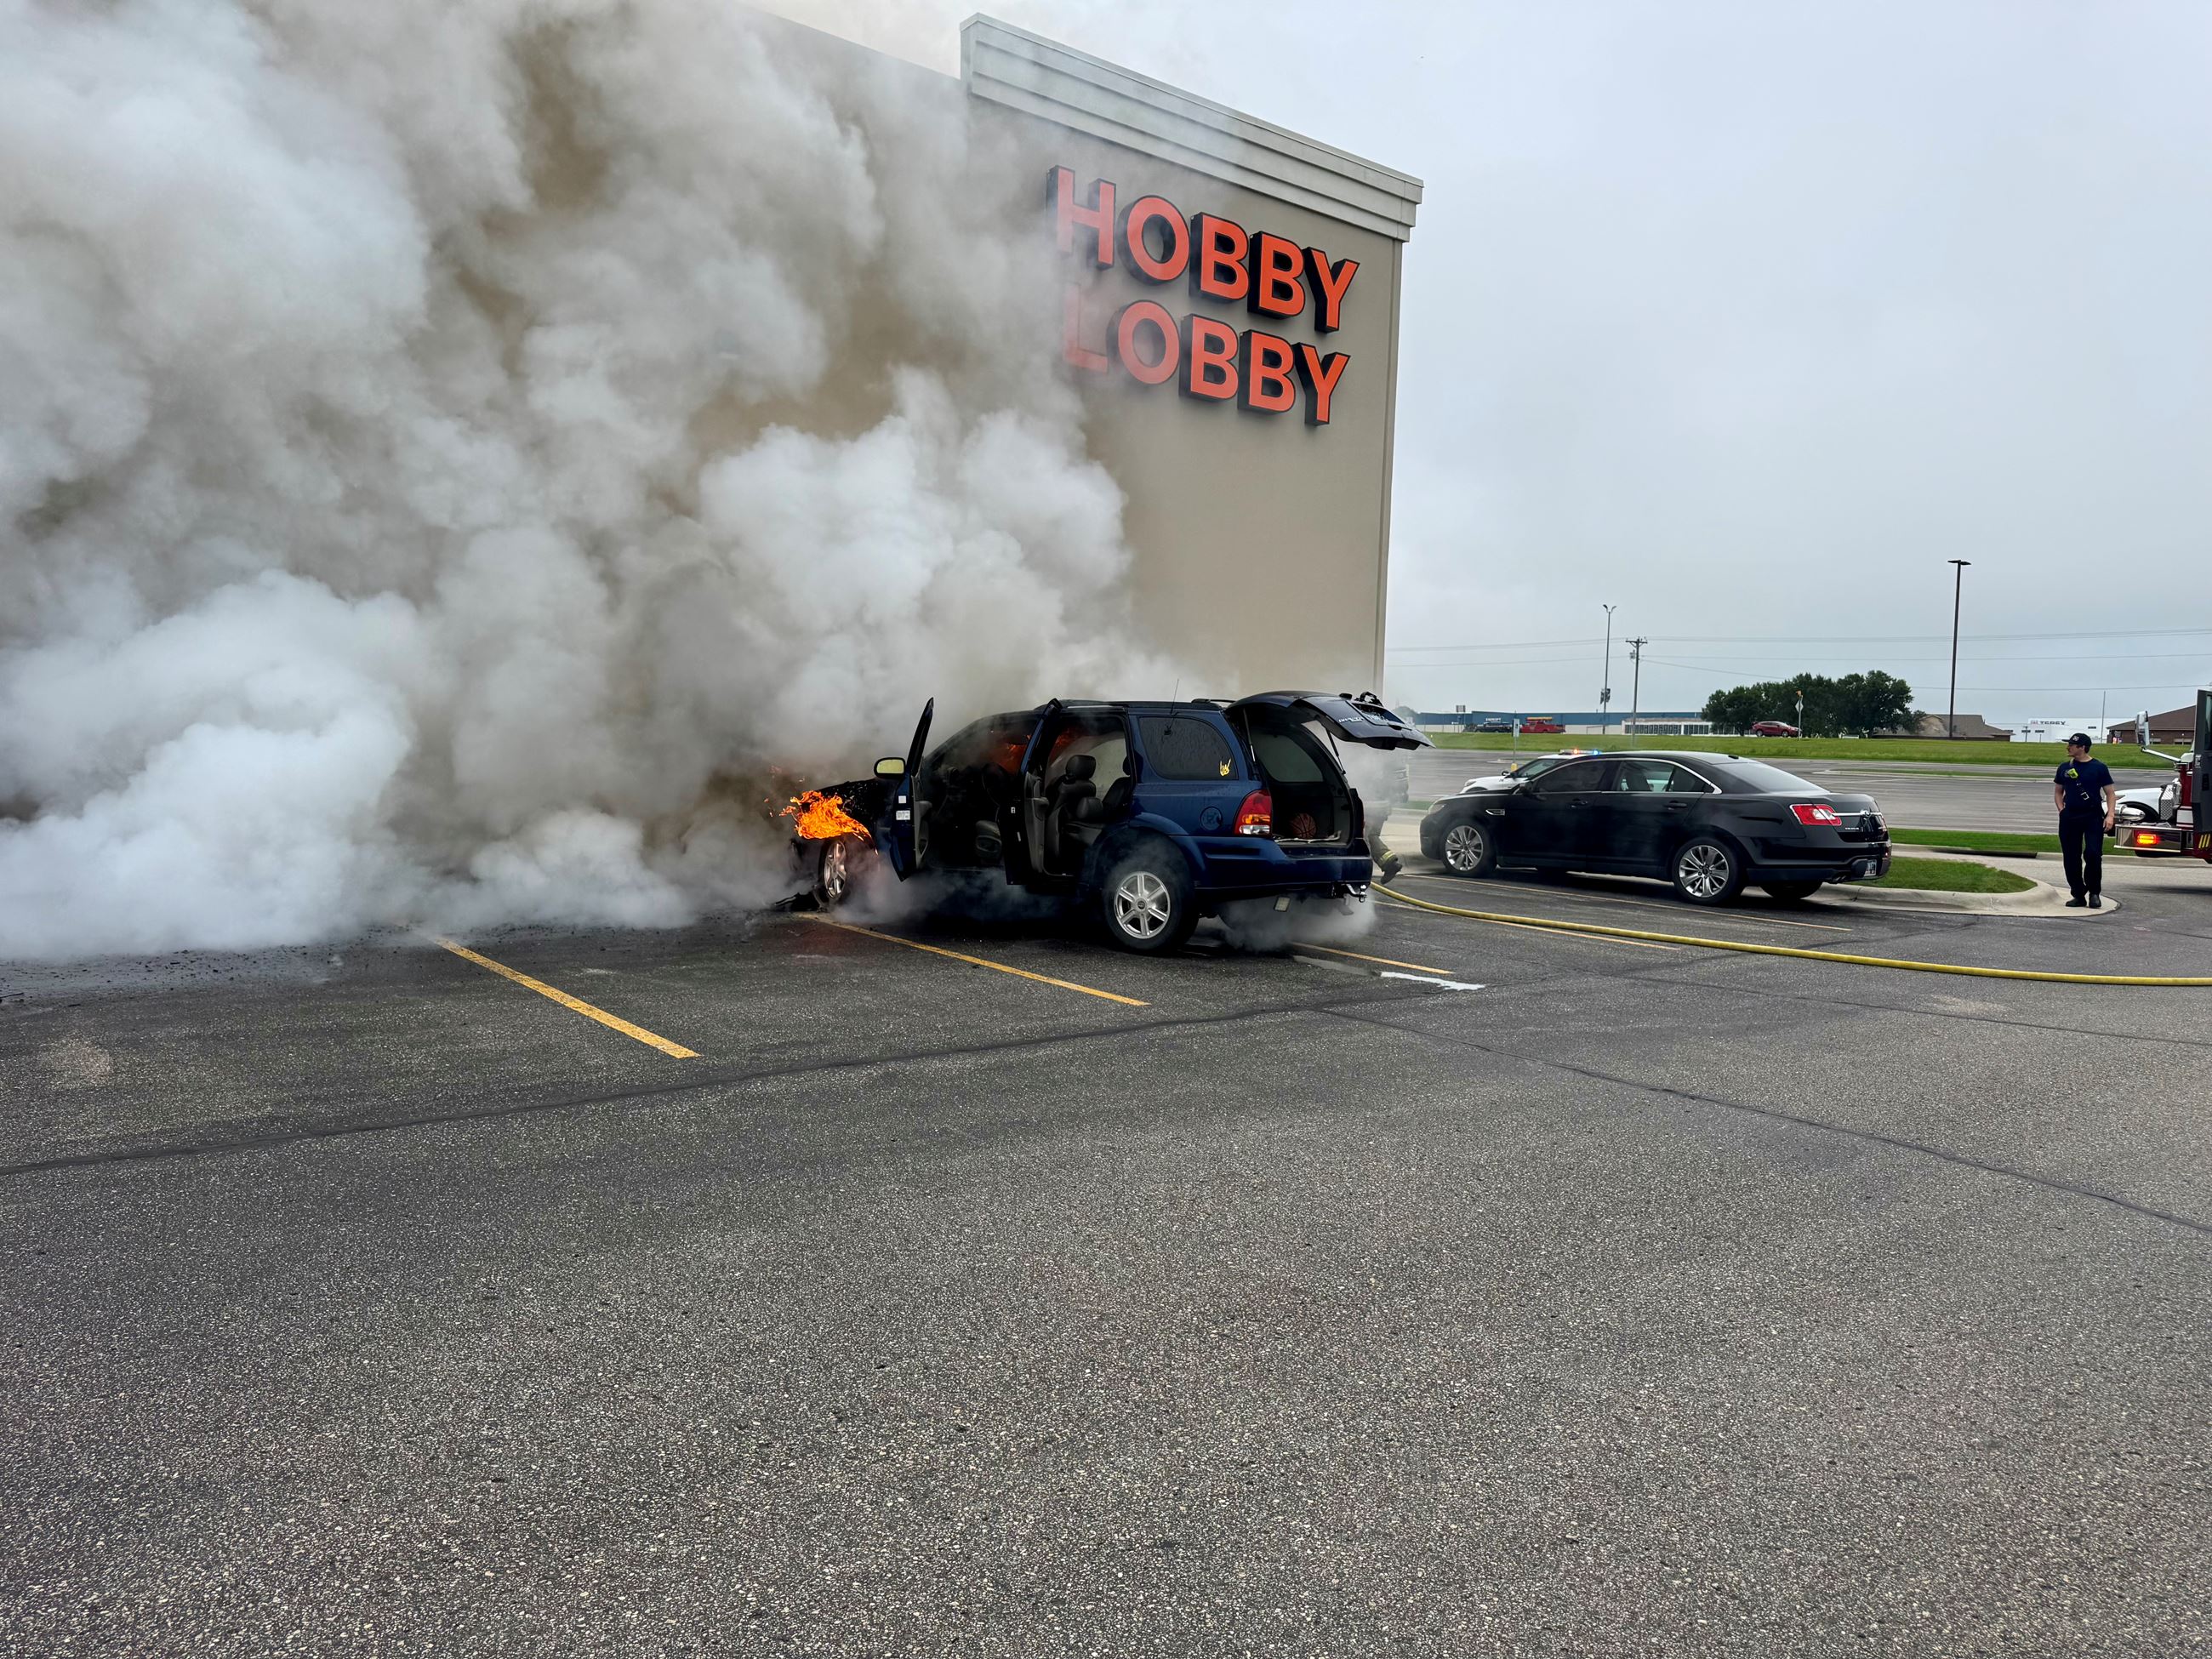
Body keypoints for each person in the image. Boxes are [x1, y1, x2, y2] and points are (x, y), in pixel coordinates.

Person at [2052, 733, 2115, 908]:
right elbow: (2058, 791)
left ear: (2082, 747)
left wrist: (2110, 815)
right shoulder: (2064, 767)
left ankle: (2094, 892)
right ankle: (2078, 894)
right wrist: (2061, 810)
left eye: (2072, 745)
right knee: (2071, 856)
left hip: (2092, 816)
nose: (2068, 747)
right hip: (2070, 816)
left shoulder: (2099, 767)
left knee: (2093, 854)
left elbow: (2110, 793)